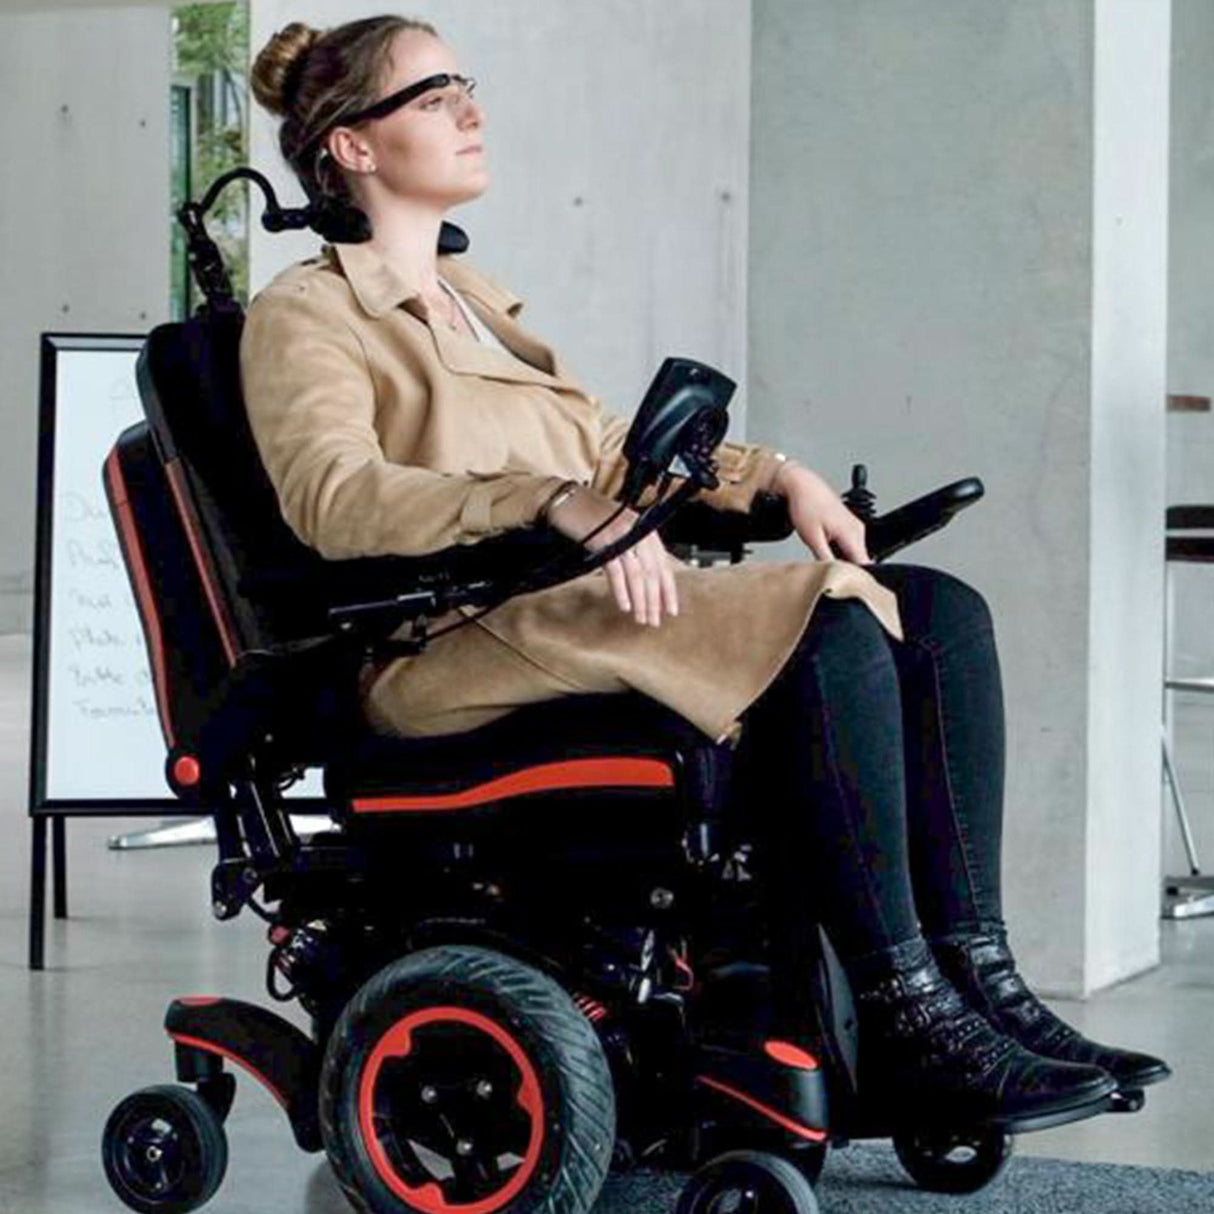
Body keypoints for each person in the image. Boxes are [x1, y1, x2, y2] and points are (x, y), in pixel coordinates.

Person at [241, 14, 1168, 1131]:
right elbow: (333, 497)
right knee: (822, 622)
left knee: (932, 610)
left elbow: (605, 453)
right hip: (446, 644)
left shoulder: (478, 306)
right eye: (434, 96)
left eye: (464, 87)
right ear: (351, 145)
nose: (471, 112)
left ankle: (982, 982)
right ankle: (907, 1008)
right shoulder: (305, 312)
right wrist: (541, 500)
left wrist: (777, 481)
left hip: (562, 618)